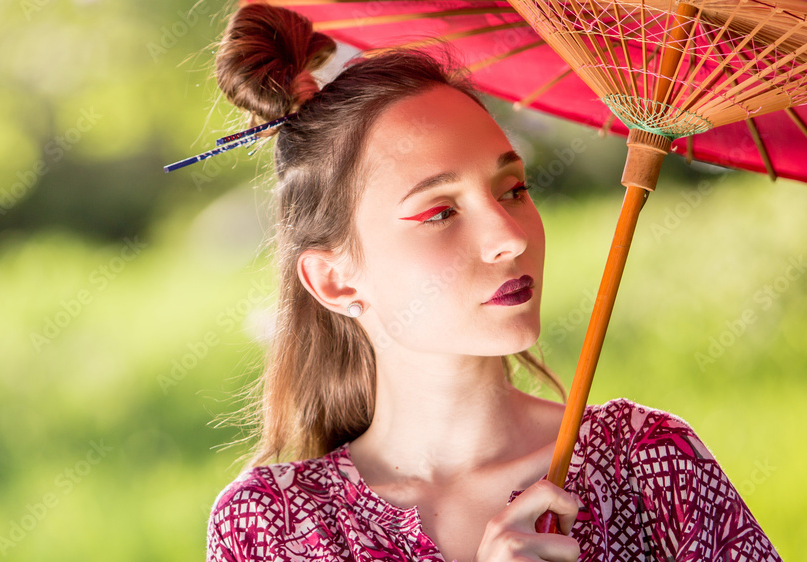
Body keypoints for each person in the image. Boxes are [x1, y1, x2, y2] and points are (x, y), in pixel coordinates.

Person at [202, 4, 782, 561]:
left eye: (512, 190)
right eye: (439, 213)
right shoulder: (269, 526)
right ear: (335, 281)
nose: (510, 235)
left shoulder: (649, 465)